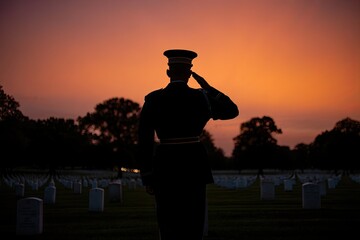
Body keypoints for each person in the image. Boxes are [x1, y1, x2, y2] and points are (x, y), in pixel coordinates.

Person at [138, 49, 239, 240]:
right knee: (193, 222)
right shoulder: (202, 97)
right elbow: (232, 111)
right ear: (190, 73)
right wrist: (209, 88)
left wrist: (147, 175)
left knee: (168, 222)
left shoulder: (153, 99)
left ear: (168, 72)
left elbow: (144, 139)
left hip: (165, 164)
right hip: (194, 164)